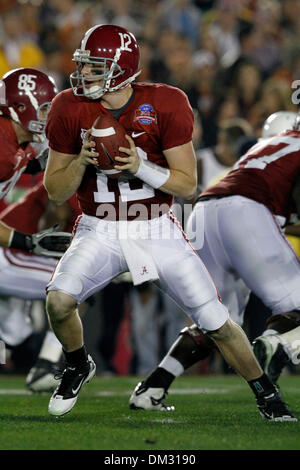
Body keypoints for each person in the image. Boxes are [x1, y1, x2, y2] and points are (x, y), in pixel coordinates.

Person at [44, 24, 295, 421]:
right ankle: (77, 364)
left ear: (122, 68)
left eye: (96, 66)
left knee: (215, 319)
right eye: (85, 65)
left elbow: (187, 183)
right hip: (100, 227)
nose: (86, 74)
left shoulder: (165, 102)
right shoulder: (67, 106)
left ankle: (266, 392)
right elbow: (56, 191)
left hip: (156, 227)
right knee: (58, 302)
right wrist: (80, 161)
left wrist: (139, 165)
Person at [129, 110, 300, 413]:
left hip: (206, 212)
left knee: (217, 320)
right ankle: (276, 345)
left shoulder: (269, 146)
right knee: (295, 307)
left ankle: (152, 387)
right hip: (248, 213)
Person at [0, 180, 81, 391]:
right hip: (9, 254)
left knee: (15, 332)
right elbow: (52, 221)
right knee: (76, 286)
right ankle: (46, 365)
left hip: (15, 255)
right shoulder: (68, 181)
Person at [0, 67, 71, 256]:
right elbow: (7, 161)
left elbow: (14, 162)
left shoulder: (11, 139)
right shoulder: (4, 151)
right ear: (21, 107)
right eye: (44, 108)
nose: (48, 116)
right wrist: (28, 242)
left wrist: (36, 165)